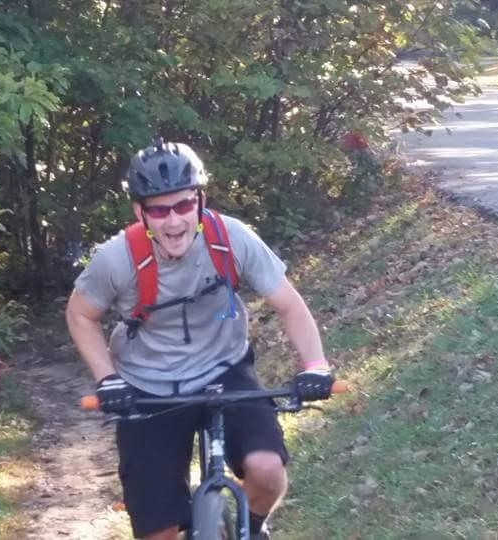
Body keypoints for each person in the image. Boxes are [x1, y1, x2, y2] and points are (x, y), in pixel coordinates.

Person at [65, 139, 334, 540]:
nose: (174, 222)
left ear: (200, 201)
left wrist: (315, 366)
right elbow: (80, 315)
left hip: (225, 368)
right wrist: (108, 379)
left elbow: (290, 306)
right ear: (141, 212)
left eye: (184, 206)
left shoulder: (233, 239)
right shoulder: (116, 258)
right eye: (159, 210)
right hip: (149, 385)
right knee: (158, 531)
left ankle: (251, 529)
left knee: (267, 470)